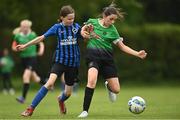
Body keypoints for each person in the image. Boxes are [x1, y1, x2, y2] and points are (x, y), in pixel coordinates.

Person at [78, 3, 147, 118]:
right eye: (111, 19)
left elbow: (122, 47)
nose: (113, 22)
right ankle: (85, 111)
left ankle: (109, 87)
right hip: (93, 58)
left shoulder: (113, 30)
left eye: (114, 20)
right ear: (104, 16)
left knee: (116, 90)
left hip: (107, 60)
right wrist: (82, 32)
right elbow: (83, 30)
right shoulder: (92, 22)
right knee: (92, 80)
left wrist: (137, 54)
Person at [16, 5, 82, 117]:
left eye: (73, 18)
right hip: (60, 61)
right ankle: (30, 109)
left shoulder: (76, 27)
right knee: (50, 83)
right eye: (69, 18)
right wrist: (25, 45)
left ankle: (61, 100)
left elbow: (86, 36)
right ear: (62, 17)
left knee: (68, 93)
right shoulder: (57, 28)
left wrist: (89, 33)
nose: (71, 21)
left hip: (73, 63)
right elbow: (41, 38)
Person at [12, 19, 46, 103]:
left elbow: (41, 43)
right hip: (23, 59)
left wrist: (41, 50)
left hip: (32, 58)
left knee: (25, 76)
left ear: (29, 27)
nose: (25, 28)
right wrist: (16, 49)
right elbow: (14, 46)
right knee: (35, 78)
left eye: (27, 27)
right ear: (21, 27)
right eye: (23, 27)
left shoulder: (32, 34)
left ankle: (23, 98)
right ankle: (48, 83)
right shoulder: (17, 36)